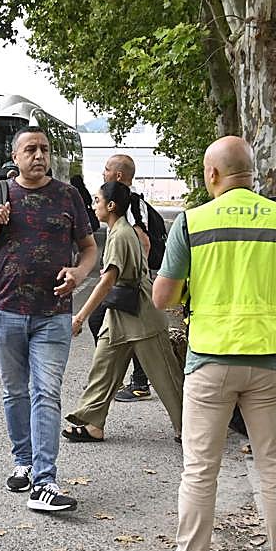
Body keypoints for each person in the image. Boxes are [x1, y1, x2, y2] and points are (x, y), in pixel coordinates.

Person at [152, 136, 276, 551]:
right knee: (275, 470)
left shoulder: (193, 221)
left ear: (212, 175)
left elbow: (163, 296)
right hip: (270, 361)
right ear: (252, 173)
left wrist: (189, 297)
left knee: (200, 470)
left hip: (210, 362)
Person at [0, 127, 97, 513]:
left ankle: (45, 481)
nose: (38, 156)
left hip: (53, 316)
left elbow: (88, 248)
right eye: (30, 149)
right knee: (15, 392)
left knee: (46, 393)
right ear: (15, 155)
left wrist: (79, 274)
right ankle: (22, 462)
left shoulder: (67, 196)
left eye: (44, 149)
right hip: (5, 311)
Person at [63, 181, 184, 443]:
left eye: (96, 200)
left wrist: (80, 317)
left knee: (166, 377)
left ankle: (188, 427)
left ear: (111, 205)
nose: (93, 205)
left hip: (141, 315)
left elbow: (107, 282)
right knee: (103, 369)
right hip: (121, 314)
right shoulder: (120, 231)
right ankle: (92, 423)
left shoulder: (120, 235)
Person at [100, 154, 154, 403]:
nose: (103, 172)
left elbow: (143, 241)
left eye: (107, 169)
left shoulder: (130, 203)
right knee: (110, 327)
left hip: (130, 285)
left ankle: (138, 382)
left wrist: (133, 272)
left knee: (105, 324)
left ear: (118, 175)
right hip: (128, 283)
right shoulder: (128, 200)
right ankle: (126, 379)